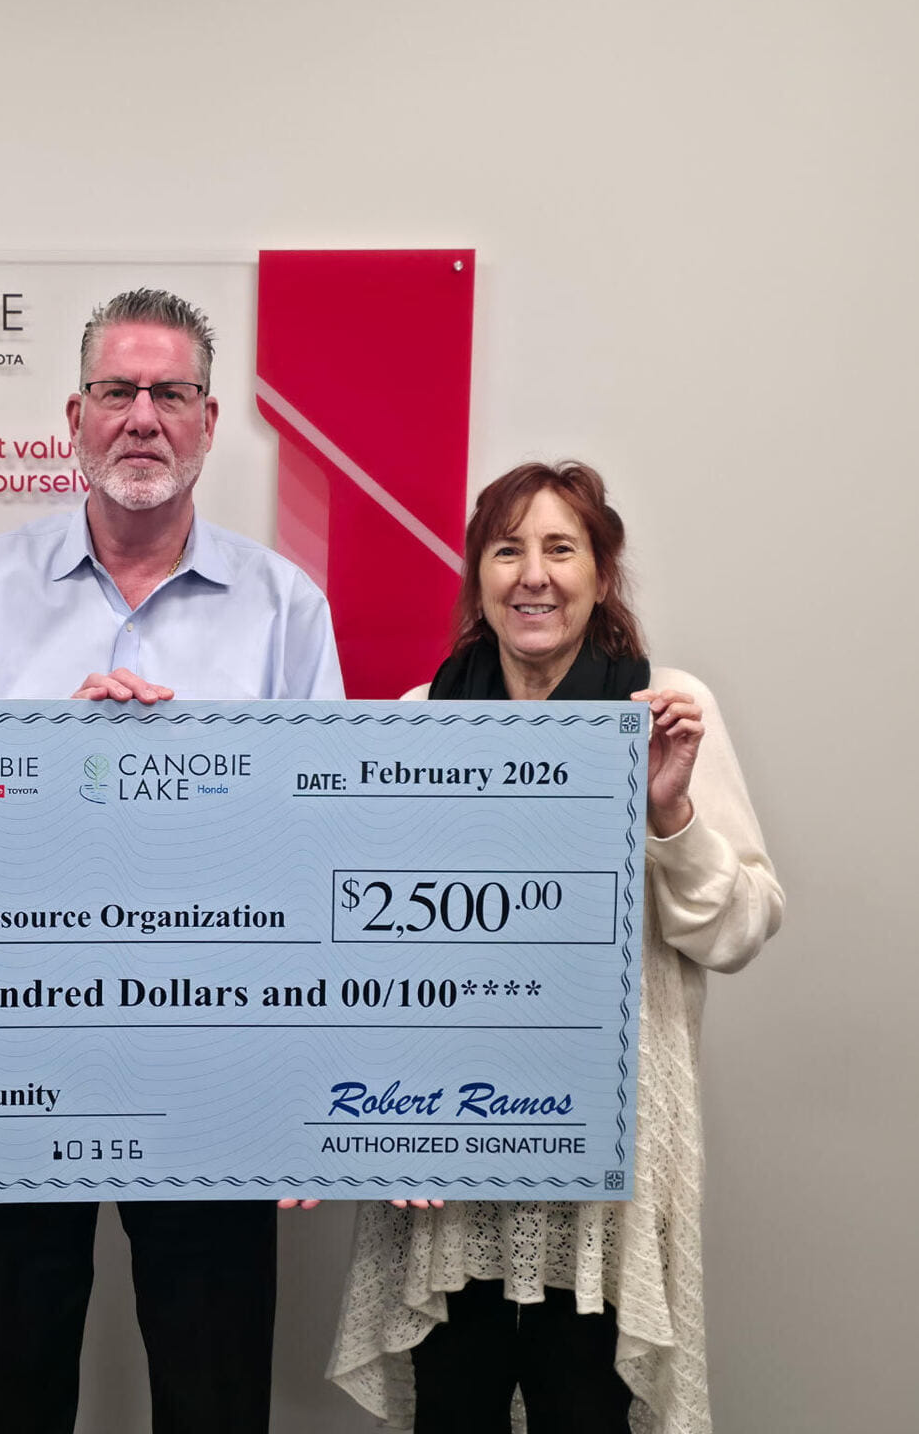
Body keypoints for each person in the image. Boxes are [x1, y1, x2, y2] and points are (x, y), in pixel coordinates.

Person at [0, 289, 343, 1434]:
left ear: (210, 420)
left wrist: (190, 778)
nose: (143, 417)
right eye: (118, 392)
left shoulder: (284, 609)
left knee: (214, 1385)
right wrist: (49, 765)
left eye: (170, 393)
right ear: (74, 418)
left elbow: (318, 847)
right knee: (13, 1380)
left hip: (215, 1051)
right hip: (16, 1044)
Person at [326, 461, 784, 1434]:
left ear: (601, 575)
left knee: (585, 1411)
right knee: (454, 1410)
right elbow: (375, 952)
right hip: (452, 1178)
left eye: (560, 549)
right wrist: (377, 1120)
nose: (533, 574)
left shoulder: (661, 710)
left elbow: (739, 929)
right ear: (478, 578)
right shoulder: (419, 719)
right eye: (507, 550)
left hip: (601, 1190)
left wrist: (670, 815)